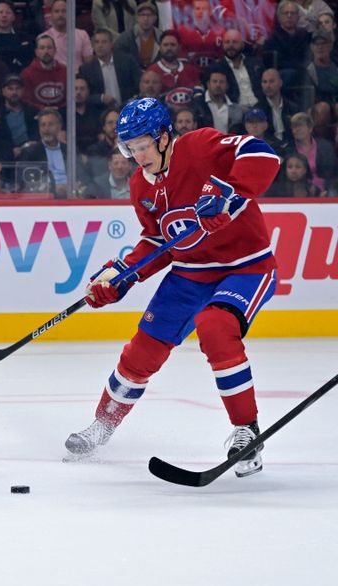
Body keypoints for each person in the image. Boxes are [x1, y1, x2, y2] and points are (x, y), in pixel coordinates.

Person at [64, 97, 281, 479]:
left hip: (245, 266)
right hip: (189, 274)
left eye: (142, 145)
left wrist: (230, 194)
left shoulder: (199, 146)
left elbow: (262, 154)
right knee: (142, 350)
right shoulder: (140, 185)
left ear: (164, 137)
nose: (137, 156)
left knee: (216, 327)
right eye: (130, 148)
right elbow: (159, 242)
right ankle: (103, 424)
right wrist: (123, 275)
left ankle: (247, 431)